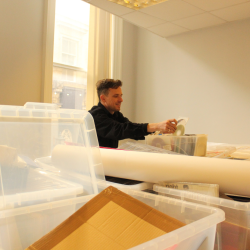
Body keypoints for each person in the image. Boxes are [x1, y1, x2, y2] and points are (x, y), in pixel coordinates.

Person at [89, 79, 177, 148]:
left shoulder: (116, 115)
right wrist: (156, 126)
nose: (121, 100)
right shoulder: (94, 116)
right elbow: (120, 130)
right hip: (91, 167)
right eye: (116, 96)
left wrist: (158, 132)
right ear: (103, 98)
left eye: (121, 95)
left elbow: (132, 130)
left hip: (105, 163)